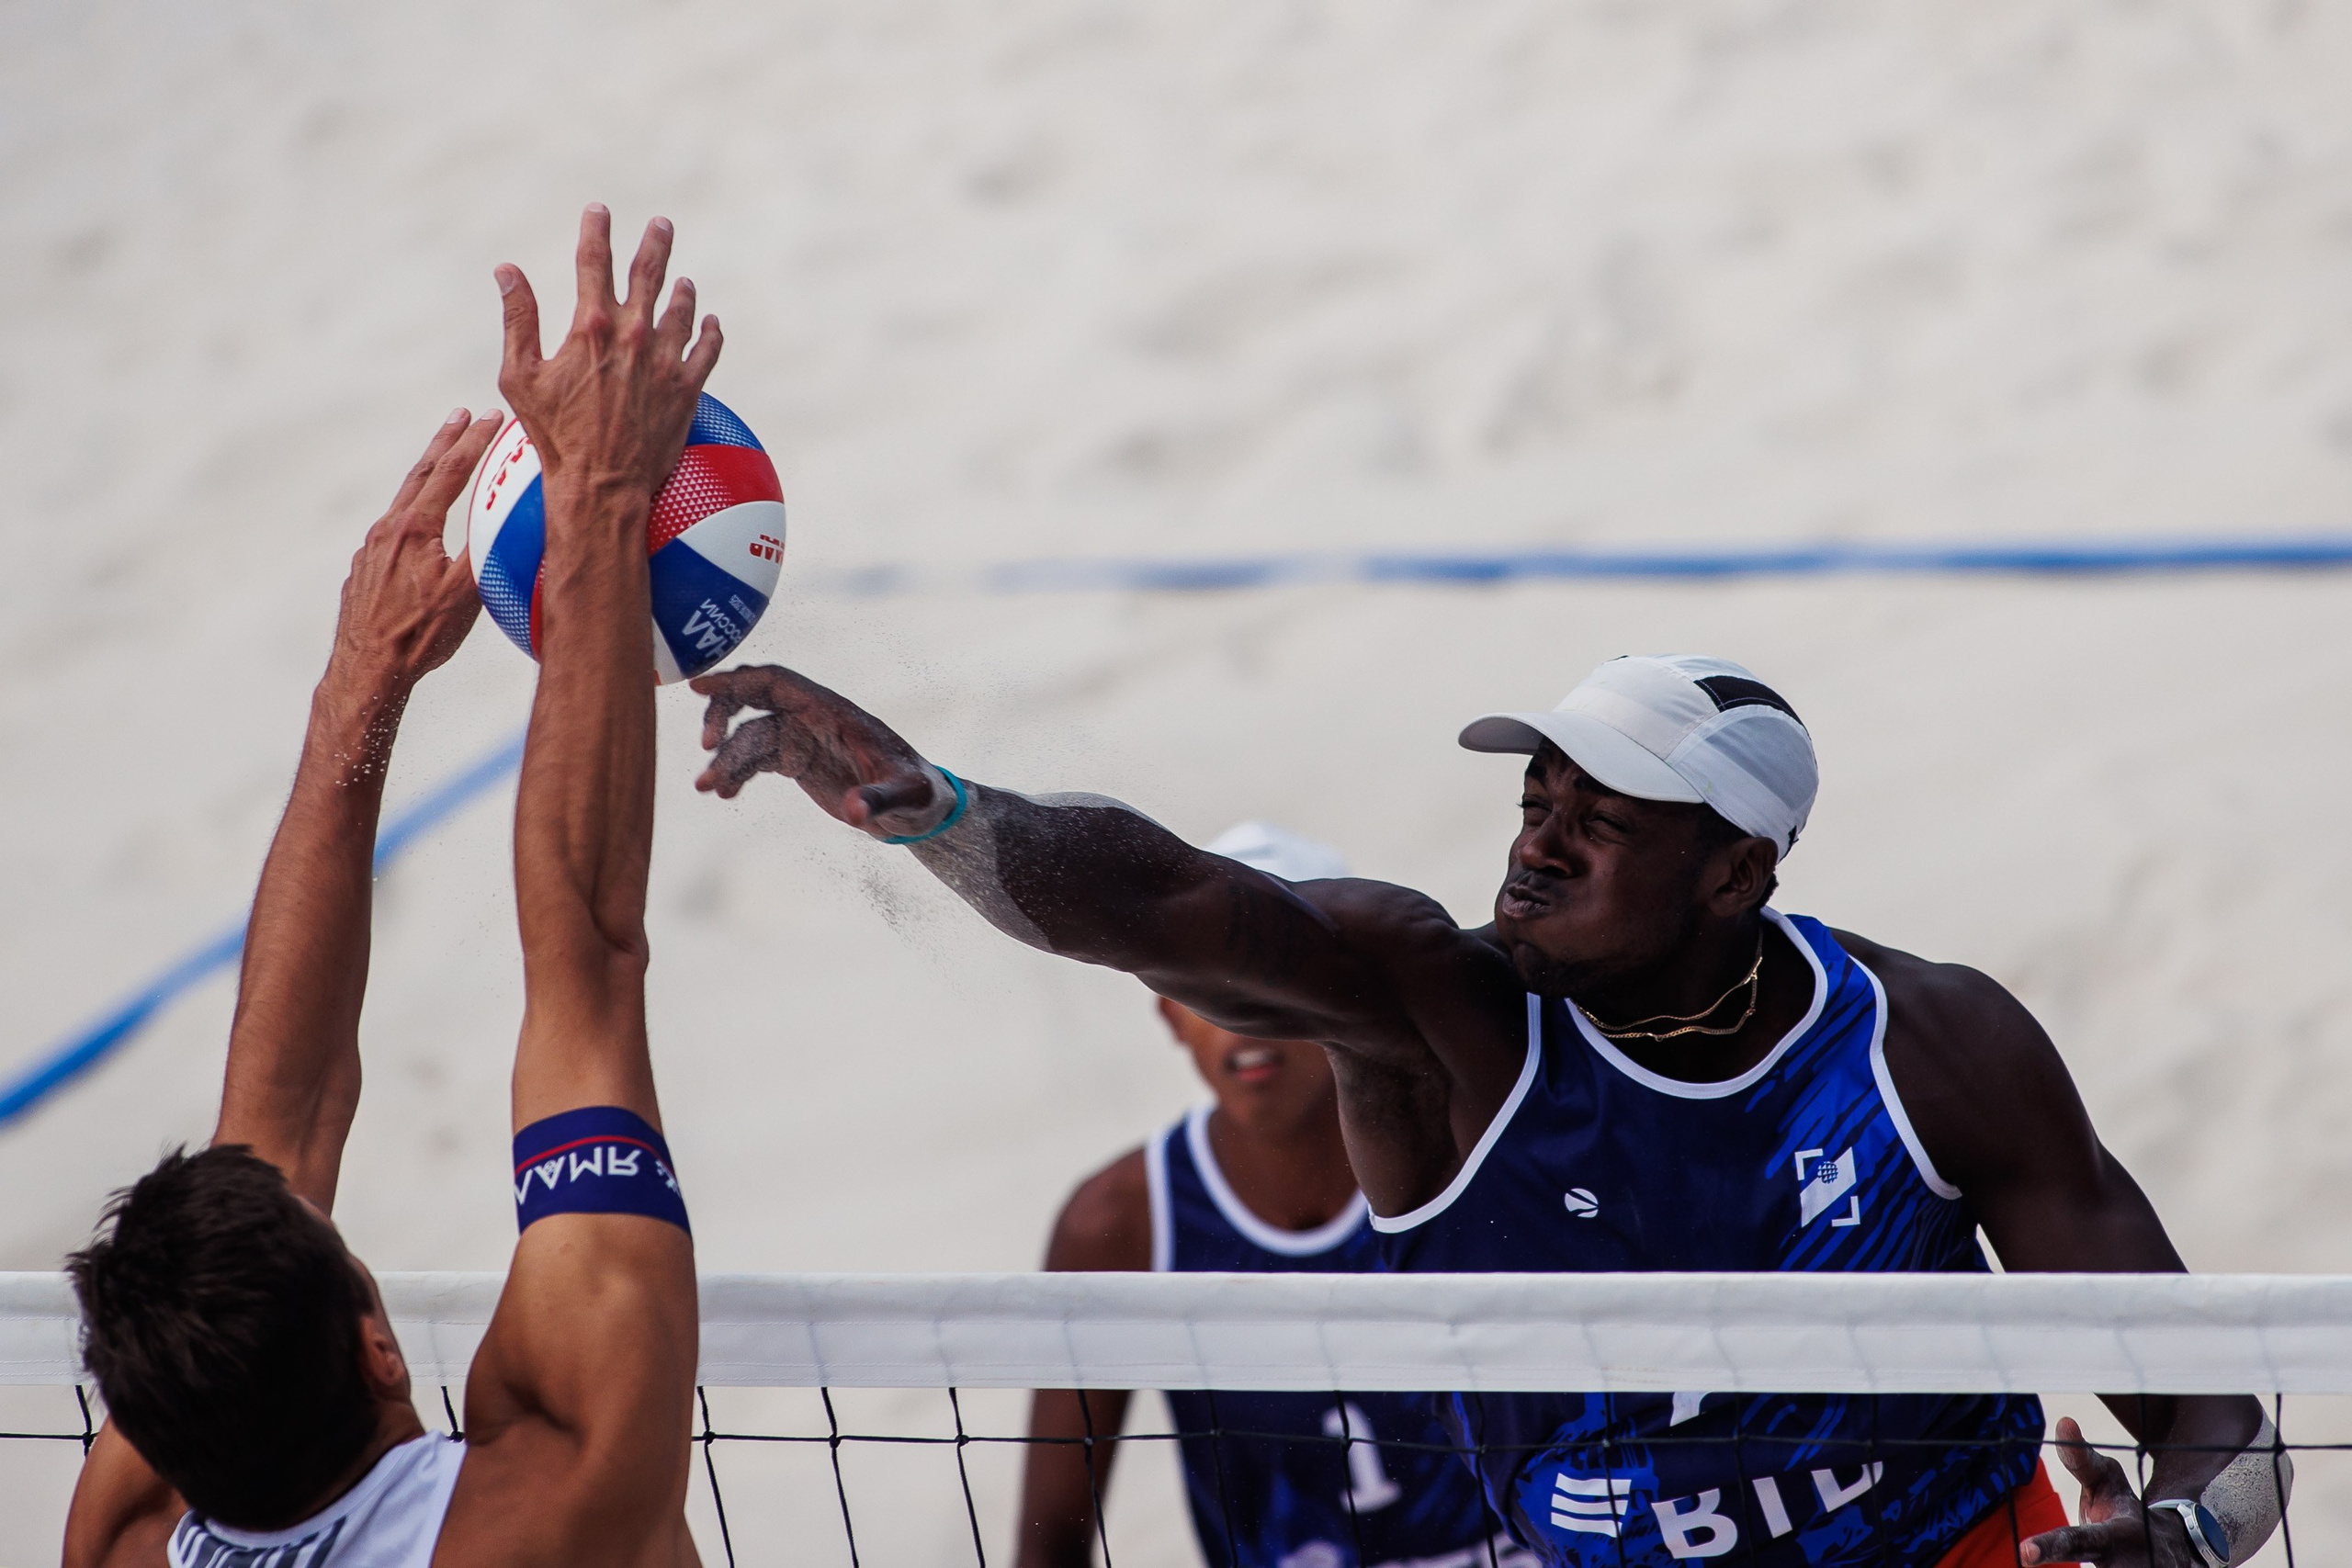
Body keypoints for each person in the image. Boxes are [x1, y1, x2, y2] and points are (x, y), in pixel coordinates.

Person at [690, 652, 2289, 1568]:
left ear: (1737, 871)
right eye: (1536, 800)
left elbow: (2223, 1414)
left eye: (1600, 824)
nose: (1535, 844)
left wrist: (2192, 1533)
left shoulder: (1935, 1045)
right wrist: (948, 813)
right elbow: (1170, 902)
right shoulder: (1438, 1020)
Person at [63, 205, 723, 1568]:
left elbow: (275, 1123)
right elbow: (587, 961)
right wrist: (600, 500)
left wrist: (359, 694)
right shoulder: (555, 1500)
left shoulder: (126, 1531)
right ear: (377, 1342)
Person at [1019, 822, 1527, 1568]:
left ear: (1348, 996)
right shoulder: (1123, 1221)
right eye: (1202, 986)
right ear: (1168, 1014)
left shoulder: (1474, 1146)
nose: (1239, 1020)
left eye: (1269, 982)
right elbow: (1050, 1536)